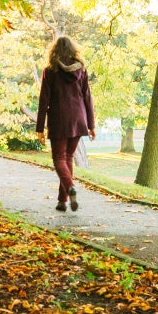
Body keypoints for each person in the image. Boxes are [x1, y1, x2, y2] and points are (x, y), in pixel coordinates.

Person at [36, 35, 96, 212]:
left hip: (59, 119)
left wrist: (40, 127)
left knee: (59, 158)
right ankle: (62, 202)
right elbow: (87, 98)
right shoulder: (82, 70)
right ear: (72, 50)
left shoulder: (50, 70)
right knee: (67, 157)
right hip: (79, 119)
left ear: (54, 50)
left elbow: (43, 100)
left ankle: (70, 186)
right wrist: (91, 125)